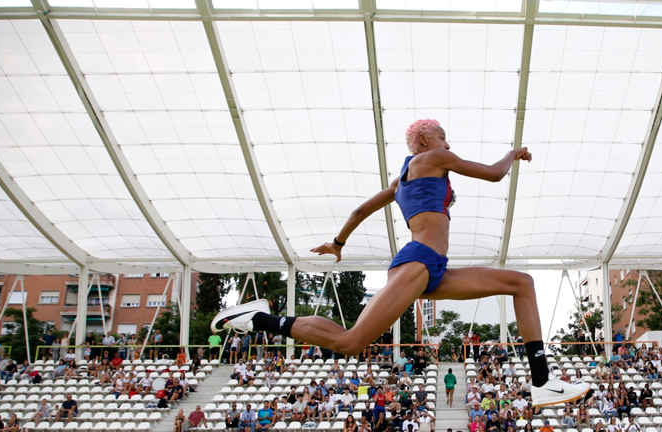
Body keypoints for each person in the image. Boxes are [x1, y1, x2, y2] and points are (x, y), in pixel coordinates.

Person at [210, 120, 591, 407]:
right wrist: (513, 153)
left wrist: (338, 243)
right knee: (350, 341)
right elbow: (494, 174)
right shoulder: (433, 158)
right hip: (419, 263)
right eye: (444, 137)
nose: (448, 145)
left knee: (521, 282)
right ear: (425, 140)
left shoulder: (400, 183)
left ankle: (542, 381)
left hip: (431, 269)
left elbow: (362, 209)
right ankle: (255, 320)